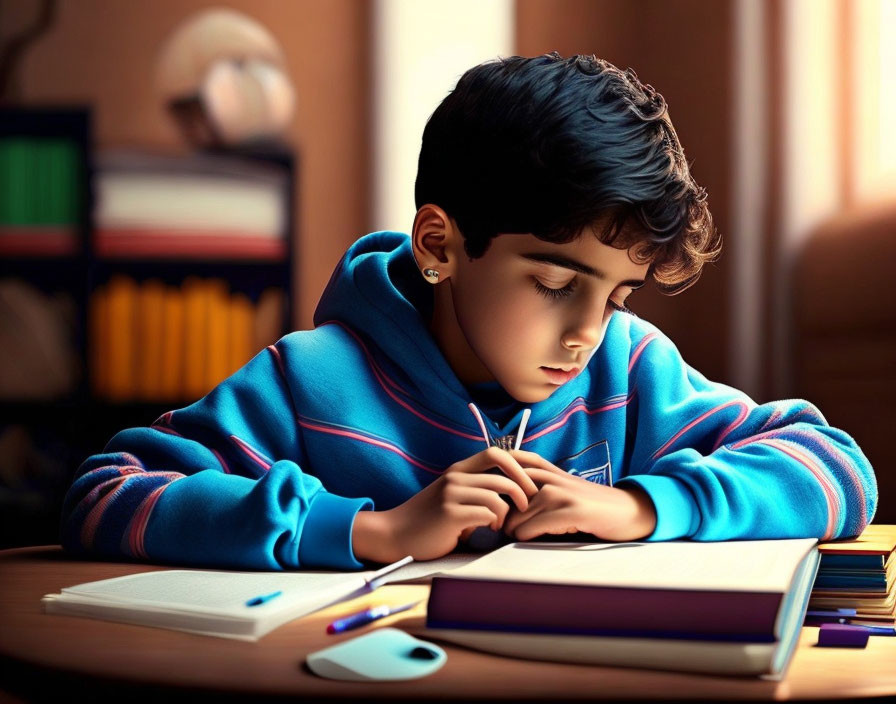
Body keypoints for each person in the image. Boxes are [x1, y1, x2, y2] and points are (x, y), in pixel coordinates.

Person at [61, 52, 877, 570]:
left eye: (617, 294)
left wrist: (638, 506)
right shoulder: (312, 382)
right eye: (557, 285)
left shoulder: (629, 366)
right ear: (441, 245)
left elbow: (839, 468)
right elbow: (103, 496)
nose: (588, 331)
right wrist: (369, 531)